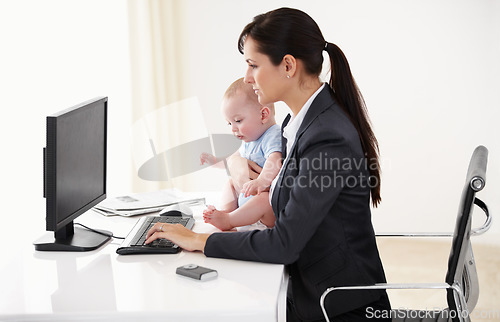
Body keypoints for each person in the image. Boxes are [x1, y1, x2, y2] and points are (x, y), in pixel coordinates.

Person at [146, 7, 391, 321]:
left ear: (288, 65)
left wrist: (199, 240)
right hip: (311, 288)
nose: (248, 78)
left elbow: (284, 244)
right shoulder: (302, 121)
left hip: (336, 306)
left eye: (253, 65)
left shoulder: (327, 136)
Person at [200, 77, 282, 231]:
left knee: (264, 199)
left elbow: (275, 159)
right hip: (247, 205)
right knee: (230, 183)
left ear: (263, 115)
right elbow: (232, 159)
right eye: (229, 123)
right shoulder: (249, 140)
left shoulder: (273, 134)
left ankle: (229, 220)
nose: (233, 129)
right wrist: (214, 161)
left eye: (238, 121)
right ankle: (226, 212)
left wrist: (262, 181)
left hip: (267, 212)